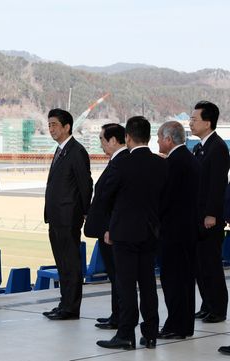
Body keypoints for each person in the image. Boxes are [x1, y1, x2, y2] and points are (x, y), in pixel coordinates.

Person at [97, 116, 167, 350]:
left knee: (126, 285)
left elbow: (106, 195)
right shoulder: (161, 164)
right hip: (150, 232)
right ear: (149, 136)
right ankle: (150, 334)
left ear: (127, 137)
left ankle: (126, 334)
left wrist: (109, 225)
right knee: (148, 284)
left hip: (124, 233)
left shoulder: (122, 164)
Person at [42, 108, 93, 320]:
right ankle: (64, 303)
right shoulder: (61, 149)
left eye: (54, 125)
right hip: (56, 217)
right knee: (62, 264)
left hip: (68, 217)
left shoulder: (76, 151)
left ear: (67, 127)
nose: (51, 129)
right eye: (49, 125)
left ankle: (71, 308)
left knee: (71, 264)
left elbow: (85, 184)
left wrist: (83, 212)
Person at [156, 121, 200, 339]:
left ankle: (175, 325)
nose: (157, 142)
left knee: (173, 280)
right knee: (185, 280)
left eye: (158, 138)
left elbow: (166, 198)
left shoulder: (174, 162)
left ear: (168, 139)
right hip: (188, 229)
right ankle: (184, 325)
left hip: (173, 231)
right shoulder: (189, 159)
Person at [84, 123, 128, 330]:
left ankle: (120, 317)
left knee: (118, 276)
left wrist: (110, 227)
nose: (101, 144)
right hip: (108, 229)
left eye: (102, 139)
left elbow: (116, 201)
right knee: (114, 275)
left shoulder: (122, 162)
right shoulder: (116, 161)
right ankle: (116, 314)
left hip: (113, 230)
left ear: (112, 140)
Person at [190, 101, 229, 325]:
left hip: (209, 218)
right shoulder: (199, 147)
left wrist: (212, 213)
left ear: (208, 122)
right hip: (197, 216)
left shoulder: (218, 148)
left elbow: (217, 185)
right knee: (200, 264)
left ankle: (218, 308)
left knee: (211, 264)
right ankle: (207, 305)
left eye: (195, 119)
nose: (191, 123)